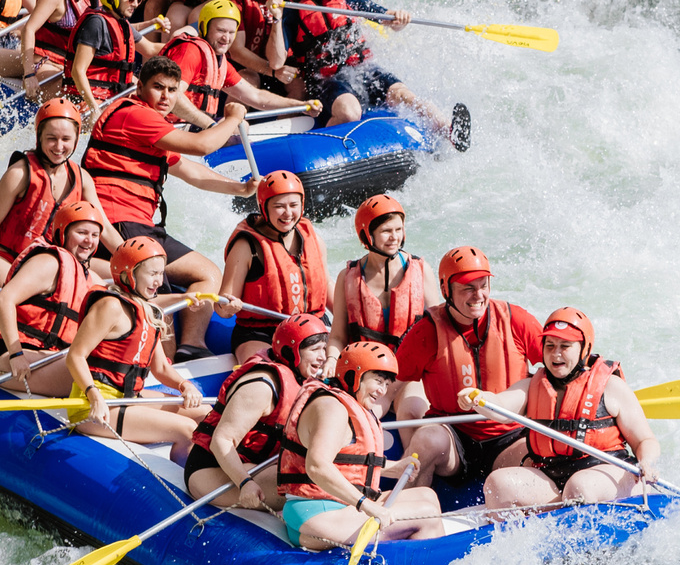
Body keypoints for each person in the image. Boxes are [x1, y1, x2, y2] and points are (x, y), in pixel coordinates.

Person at [80, 56, 250, 355]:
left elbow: (191, 171)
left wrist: (241, 188)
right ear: (139, 86)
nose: (166, 97)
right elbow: (202, 146)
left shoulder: (151, 129)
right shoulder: (136, 116)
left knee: (208, 274)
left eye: (172, 90)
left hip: (139, 226)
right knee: (177, 290)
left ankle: (192, 346)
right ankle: (171, 354)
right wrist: (232, 119)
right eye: (158, 87)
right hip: (122, 224)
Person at [32, 236, 209, 450]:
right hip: (95, 405)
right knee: (188, 429)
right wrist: (93, 395)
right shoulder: (110, 307)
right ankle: (190, 480)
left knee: (205, 414)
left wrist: (185, 386)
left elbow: (161, 368)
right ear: (128, 275)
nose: (159, 282)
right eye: (152, 274)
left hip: (128, 396)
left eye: (161, 273)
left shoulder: (150, 311)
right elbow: (76, 356)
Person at [392, 245, 545, 487]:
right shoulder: (426, 331)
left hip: (509, 438)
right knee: (427, 437)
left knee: (541, 451)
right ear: (446, 290)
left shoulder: (516, 320)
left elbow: (562, 369)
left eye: (483, 286)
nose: (478, 295)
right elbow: (389, 386)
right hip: (453, 438)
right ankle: (412, 509)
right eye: (468, 288)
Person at [479, 308, 662, 507]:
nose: (556, 353)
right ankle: (517, 534)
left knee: (579, 487)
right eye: (550, 346)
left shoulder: (611, 387)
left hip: (607, 474)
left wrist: (647, 462)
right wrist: (479, 398)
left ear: (584, 349)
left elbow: (645, 440)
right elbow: (499, 406)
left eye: (565, 346)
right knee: (498, 484)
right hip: (554, 478)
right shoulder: (532, 386)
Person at [278, 343, 446, 550]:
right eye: (377, 381)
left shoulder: (344, 402)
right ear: (353, 375)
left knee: (427, 496)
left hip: (338, 505)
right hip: (317, 513)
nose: (382, 391)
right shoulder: (332, 408)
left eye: (386, 384)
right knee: (425, 516)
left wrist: (394, 468)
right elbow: (317, 467)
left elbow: (347, 460)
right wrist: (366, 506)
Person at [281, 0, 457, 138]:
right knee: (349, 113)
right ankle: (323, 144)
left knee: (403, 94)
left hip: (362, 69)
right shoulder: (290, 12)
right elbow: (279, 55)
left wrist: (398, 17)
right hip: (326, 81)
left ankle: (449, 130)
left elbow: (384, 17)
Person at [183, 311, 331, 511]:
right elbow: (222, 441)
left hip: (254, 465)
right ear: (290, 352)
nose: (323, 357)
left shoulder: (300, 379)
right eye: (315, 350)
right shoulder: (261, 386)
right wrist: (245, 483)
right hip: (212, 472)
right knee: (307, 484)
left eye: (324, 349)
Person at [0, 98, 98, 288]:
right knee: (35, 298)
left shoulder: (82, 178)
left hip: (47, 266)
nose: (59, 147)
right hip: (5, 260)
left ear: (77, 139)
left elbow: (105, 228)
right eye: (51, 138)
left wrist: (133, 257)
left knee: (104, 288)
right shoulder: (19, 174)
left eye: (66, 139)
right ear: (39, 137)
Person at [0, 197, 111, 389]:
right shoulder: (48, 263)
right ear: (62, 233)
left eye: (95, 235)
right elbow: (4, 300)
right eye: (82, 232)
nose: (89, 240)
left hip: (51, 356)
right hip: (15, 359)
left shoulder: (93, 279)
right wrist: (16, 354)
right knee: (99, 374)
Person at [218, 171, 330, 361]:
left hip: (312, 326)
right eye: (279, 206)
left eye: (294, 205)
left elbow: (325, 285)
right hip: (260, 332)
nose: (288, 213)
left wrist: (351, 323)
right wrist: (228, 307)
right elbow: (221, 306)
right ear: (264, 207)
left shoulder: (313, 238)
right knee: (265, 371)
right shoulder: (246, 246)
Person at [164, 0, 303, 124]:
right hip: (172, 128)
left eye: (231, 33)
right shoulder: (190, 51)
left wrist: (300, 105)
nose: (226, 38)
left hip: (193, 128)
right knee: (237, 127)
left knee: (239, 126)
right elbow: (172, 96)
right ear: (204, 27)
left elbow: (256, 96)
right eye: (220, 30)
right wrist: (210, 126)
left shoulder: (219, 62)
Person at [333, 193, 428, 353]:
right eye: (386, 231)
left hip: (410, 369)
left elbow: (437, 331)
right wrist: (331, 360)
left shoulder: (421, 270)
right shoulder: (346, 278)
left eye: (398, 229)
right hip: (366, 367)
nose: (394, 237)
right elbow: (337, 337)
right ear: (367, 235)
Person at [65, 0, 149, 115]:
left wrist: (183, 43)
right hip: (90, 99)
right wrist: (94, 108)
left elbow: (151, 49)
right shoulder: (96, 23)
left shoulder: (122, 23)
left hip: (113, 96)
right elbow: (78, 70)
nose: (135, 4)